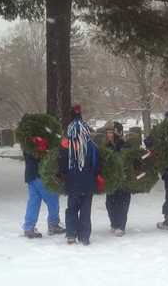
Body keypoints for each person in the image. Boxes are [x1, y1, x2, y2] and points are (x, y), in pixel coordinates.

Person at [59, 104, 99, 246]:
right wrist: (94, 175)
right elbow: (95, 163)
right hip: (87, 181)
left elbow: (62, 161)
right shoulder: (91, 145)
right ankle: (84, 236)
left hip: (72, 181)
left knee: (72, 209)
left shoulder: (66, 144)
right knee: (85, 210)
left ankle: (71, 235)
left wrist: (63, 174)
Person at [21, 139, 65, 239]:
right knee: (53, 199)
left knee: (34, 202)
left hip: (31, 175)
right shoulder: (39, 140)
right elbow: (44, 158)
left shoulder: (28, 140)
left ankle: (29, 227)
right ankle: (53, 224)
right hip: (41, 176)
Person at [104, 121, 132, 236]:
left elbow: (130, 162)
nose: (109, 135)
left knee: (122, 202)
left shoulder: (125, 146)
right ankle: (114, 223)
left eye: (111, 132)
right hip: (111, 180)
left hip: (123, 180)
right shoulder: (107, 147)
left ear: (118, 133)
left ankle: (121, 225)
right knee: (110, 202)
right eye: (107, 132)